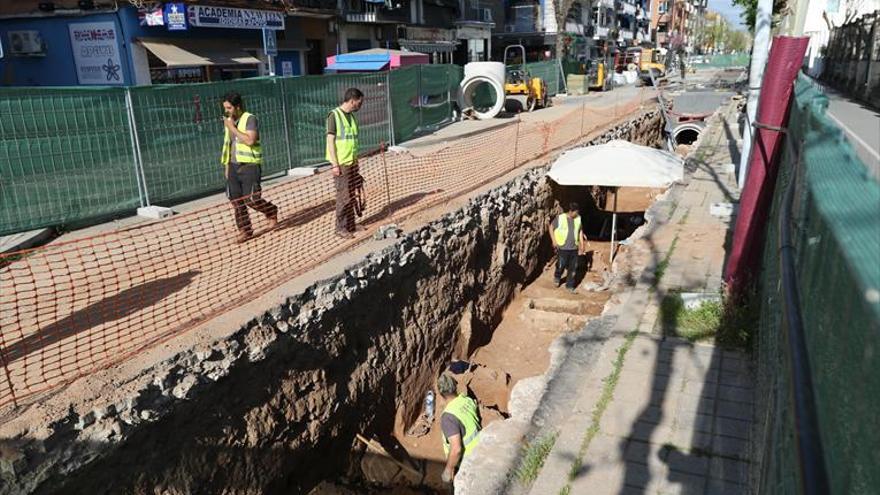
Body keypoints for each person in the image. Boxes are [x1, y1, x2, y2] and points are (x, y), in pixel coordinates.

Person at [220, 91, 278, 243]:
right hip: (233, 166)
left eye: (229, 108)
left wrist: (232, 128)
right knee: (235, 199)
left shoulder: (249, 119)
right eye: (225, 108)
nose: (226, 111)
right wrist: (227, 166)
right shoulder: (229, 122)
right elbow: (229, 144)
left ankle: (271, 211)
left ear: (237, 107)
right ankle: (245, 230)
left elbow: (250, 140)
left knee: (251, 199)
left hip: (249, 166)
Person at [326, 88, 365, 239]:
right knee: (344, 196)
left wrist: (356, 161)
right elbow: (330, 141)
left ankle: (351, 225)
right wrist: (335, 165)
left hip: (352, 162)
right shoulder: (334, 115)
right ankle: (340, 228)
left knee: (351, 195)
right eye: (359, 102)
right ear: (352, 100)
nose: (360, 105)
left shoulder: (352, 117)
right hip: (341, 164)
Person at [438, 374, 481, 485]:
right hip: (480, 448)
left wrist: (448, 470)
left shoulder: (448, 417)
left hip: (466, 460)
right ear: (455, 387)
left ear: (441, 394)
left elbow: (456, 449)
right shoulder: (467, 400)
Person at [549, 202, 587, 293]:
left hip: (574, 248)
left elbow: (580, 231)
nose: (577, 214)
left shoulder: (578, 219)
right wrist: (554, 241)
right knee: (561, 265)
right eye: (576, 212)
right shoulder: (560, 218)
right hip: (563, 247)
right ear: (571, 211)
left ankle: (570, 285)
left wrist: (582, 245)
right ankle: (557, 277)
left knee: (573, 268)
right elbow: (551, 227)